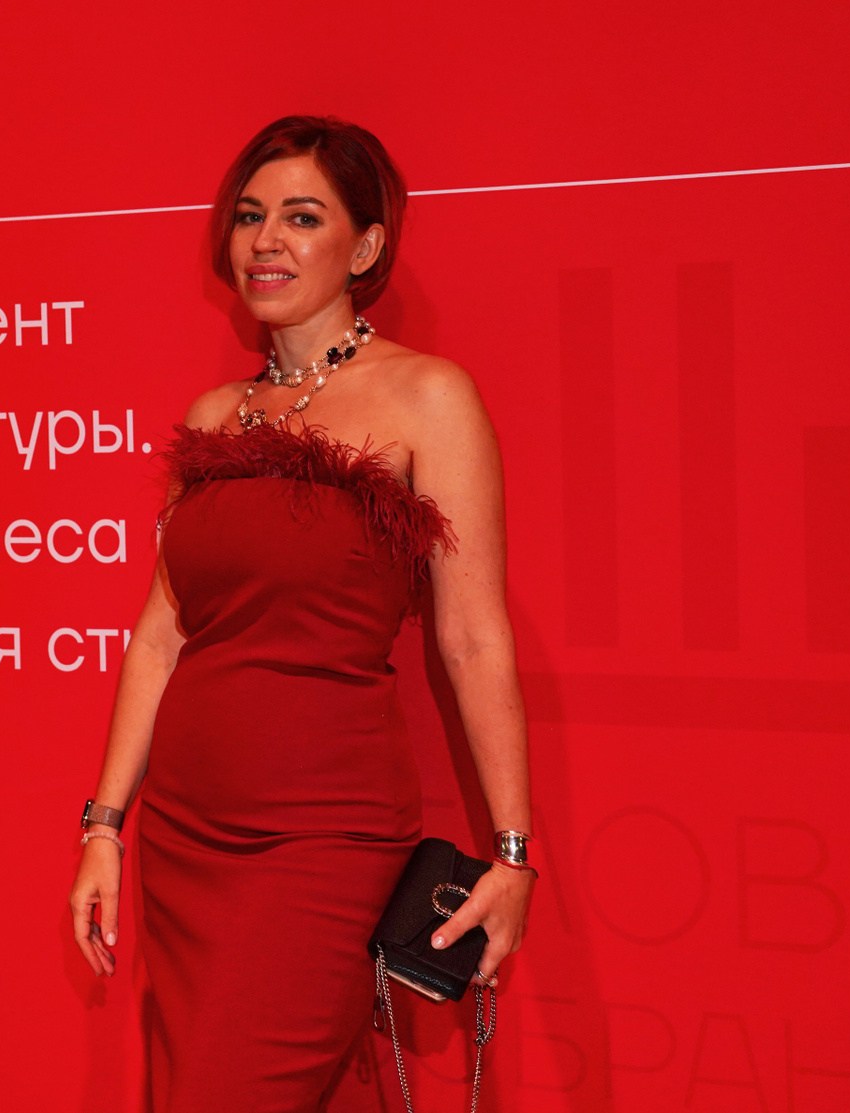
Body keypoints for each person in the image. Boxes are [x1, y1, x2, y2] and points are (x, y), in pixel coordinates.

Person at [66, 116, 535, 1110]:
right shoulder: (213, 417)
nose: (266, 240)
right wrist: (104, 824)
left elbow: (472, 637)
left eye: (302, 216)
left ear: (365, 247)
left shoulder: (427, 397)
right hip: (186, 837)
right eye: (249, 216)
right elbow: (161, 636)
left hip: (322, 840)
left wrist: (513, 852)